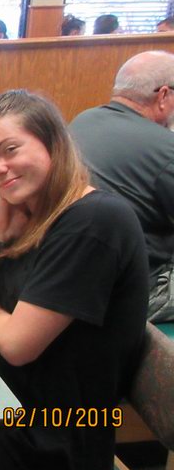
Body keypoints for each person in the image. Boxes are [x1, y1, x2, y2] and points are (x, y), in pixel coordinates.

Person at [0, 90, 147, 470]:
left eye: (10, 150)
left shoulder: (94, 222)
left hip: (49, 440)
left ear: (53, 142)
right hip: (4, 401)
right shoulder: (30, 215)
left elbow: (17, 345)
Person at [70, 50, 174, 322]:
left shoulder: (82, 119)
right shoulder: (167, 149)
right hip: (126, 293)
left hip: (70, 271)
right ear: (163, 96)